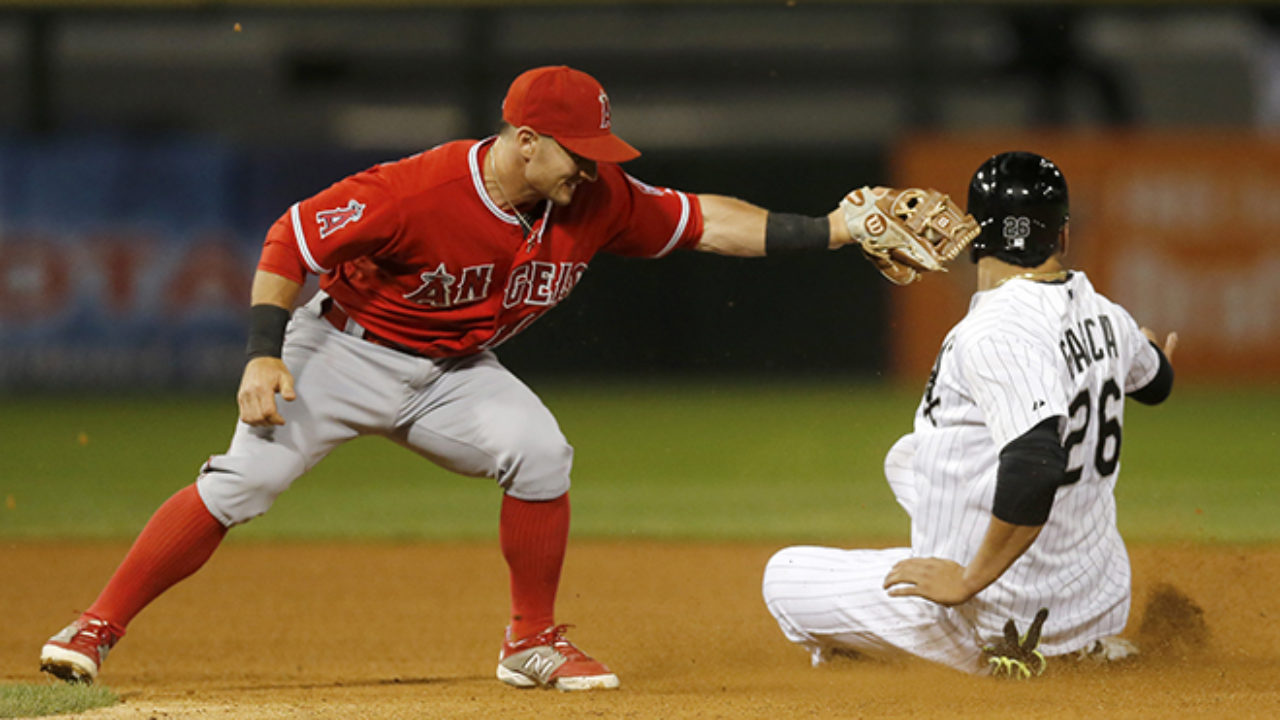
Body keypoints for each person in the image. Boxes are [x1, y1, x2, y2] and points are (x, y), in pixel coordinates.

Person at [39, 65, 948, 692]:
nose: (593, 163)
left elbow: (704, 220)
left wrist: (829, 229)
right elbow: (293, 237)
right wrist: (264, 351)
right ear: (522, 140)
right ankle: (96, 625)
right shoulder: (416, 191)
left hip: (454, 372)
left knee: (540, 452)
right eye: (575, 148)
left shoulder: (594, 199)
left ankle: (532, 643)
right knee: (245, 482)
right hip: (342, 353)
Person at [762, 151, 1178, 677]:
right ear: (1063, 236)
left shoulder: (995, 330)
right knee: (909, 457)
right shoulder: (1107, 316)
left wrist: (966, 582)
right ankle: (1082, 643)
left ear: (972, 233)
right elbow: (1157, 383)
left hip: (994, 620)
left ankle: (933, 660)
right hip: (1095, 606)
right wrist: (1148, 355)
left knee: (783, 575)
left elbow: (1036, 464)